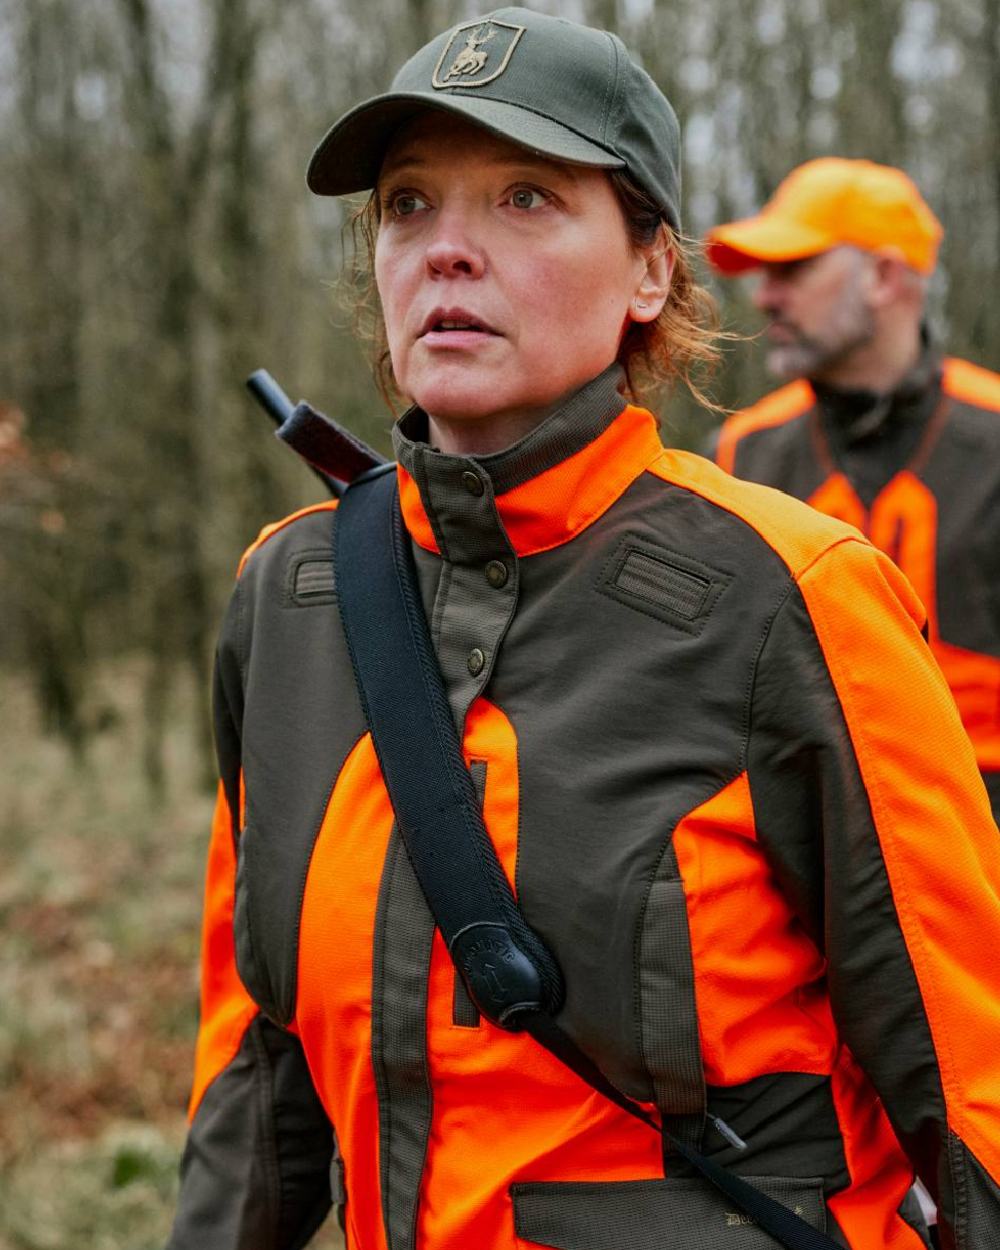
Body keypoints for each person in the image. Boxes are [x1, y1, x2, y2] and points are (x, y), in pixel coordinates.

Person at [166, 13, 1000, 1249]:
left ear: (650, 269)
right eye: (406, 205)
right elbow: (257, 1060)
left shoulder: (795, 591)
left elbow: (969, 1084)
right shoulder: (286, 595)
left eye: (523, 197)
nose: (447, 249)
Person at [705, 158, 1000, 821]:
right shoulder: (739, 454)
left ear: (885, 277)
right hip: (799, 835)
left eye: (793, 270)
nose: (764, 296)